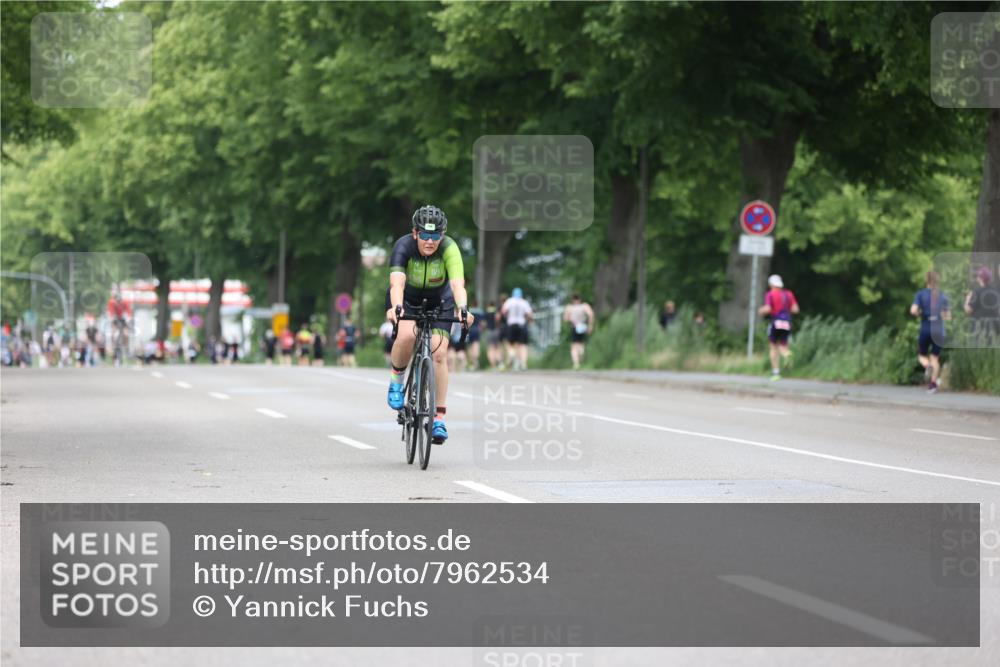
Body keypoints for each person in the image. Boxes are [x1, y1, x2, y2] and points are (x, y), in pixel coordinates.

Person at [385, 204, 473, 444]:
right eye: (425, 235)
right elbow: (397, 284)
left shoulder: (449, 248)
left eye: (436, 236)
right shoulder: (403, 246)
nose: (430, 241)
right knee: (406, 336)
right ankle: (396, 381)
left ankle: (439, 419)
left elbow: (457, 284)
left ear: (442, 235)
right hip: (407, 299)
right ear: (415, 233)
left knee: (440, 352)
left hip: (440, 299)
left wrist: (463, 309)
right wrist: (396, 307)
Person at [911, 270, 951, 394]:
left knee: (922, 355)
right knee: (935, 357)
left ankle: (927, 366)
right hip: (939, 328)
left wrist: (919, 313)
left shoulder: (920, 294)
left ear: (926, 280)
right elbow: (947, 316)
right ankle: (933, 385)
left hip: (926, 327)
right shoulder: (943, 295)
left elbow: (913, 310)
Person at [758, 274, 799, 380]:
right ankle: (787, 354)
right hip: (787, 323)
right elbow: (795, 309)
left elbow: (767, 308)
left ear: (771, 284)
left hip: (776, 322)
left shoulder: (770, 294)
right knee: (783, 345)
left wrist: (761, 311)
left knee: (773, 347)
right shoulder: (789, 294)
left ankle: (776, 373)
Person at [501, 287, 533, 371]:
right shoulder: (524, 302)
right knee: (522, 345)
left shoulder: (509, 301)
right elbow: (529, 314)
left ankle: (512, 354)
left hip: (511, 324)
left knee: (510, 343)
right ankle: (523, 363)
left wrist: (507, 316)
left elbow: (503, 311)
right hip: (521, 324)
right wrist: (528, 321)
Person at [964, 266, 998, 344]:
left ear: (980, 278)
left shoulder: (977, 292)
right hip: (994, 328)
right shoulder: (995, 291)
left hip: (979, 329)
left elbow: (968, 310)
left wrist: (967, 299)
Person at [563, 293, 595, 370]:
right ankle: (581, 355)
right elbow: (591, 314)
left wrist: (571, 319)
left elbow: (565, 318)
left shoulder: (570, 307)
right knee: (581, 344)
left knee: (574, 346)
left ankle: (576, 363)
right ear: (580, 299)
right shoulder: (584, 306)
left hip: (575, 326)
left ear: (572, 300)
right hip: (583, 326)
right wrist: (590, 325)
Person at [484, 300, 502, 370]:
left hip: (489, 331)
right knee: (497, 348)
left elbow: (484, 324)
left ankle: (493, 365)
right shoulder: (496, 312)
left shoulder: (486, 312)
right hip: (496, 331)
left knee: (490, 349)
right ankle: (500, 364)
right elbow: (498, 319)